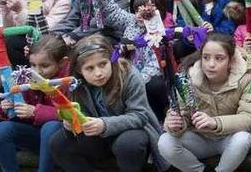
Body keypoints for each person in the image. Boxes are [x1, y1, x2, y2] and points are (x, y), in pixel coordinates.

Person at [49, 34, 167, 172]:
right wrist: (73, 122)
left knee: (127, 143)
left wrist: (104, 124)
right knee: (57, 142)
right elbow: (81, 113)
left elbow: (140, 116)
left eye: (103, 64)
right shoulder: (76, 84)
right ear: (79, 71)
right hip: (97, 138)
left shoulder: (130, 75)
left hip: (130, 132)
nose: (98, 73)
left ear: (112, 60)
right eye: (90, 68)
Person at [158, 33, 251, 172]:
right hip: (199, 138)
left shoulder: (248, 78)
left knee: (243, 138)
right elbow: (184, 112)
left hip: (229, 138)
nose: (211, 64)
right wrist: (176, 124)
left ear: (231, 61)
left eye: (219, 58)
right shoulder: (188, 78)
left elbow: (250, 119)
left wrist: (215, 122)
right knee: (165, 141)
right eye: (206, 58)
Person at [0, 35, 68, 172]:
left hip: (63, 138)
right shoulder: (28, 77)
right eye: (33, 65)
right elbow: (20, 109)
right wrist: (6, 109)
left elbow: (72, 113)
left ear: (62, 63)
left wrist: (36, 111)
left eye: (45, 65)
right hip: (36, 135)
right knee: (1, 129)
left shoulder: (69, 81)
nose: (37, 71)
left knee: (51, 126)